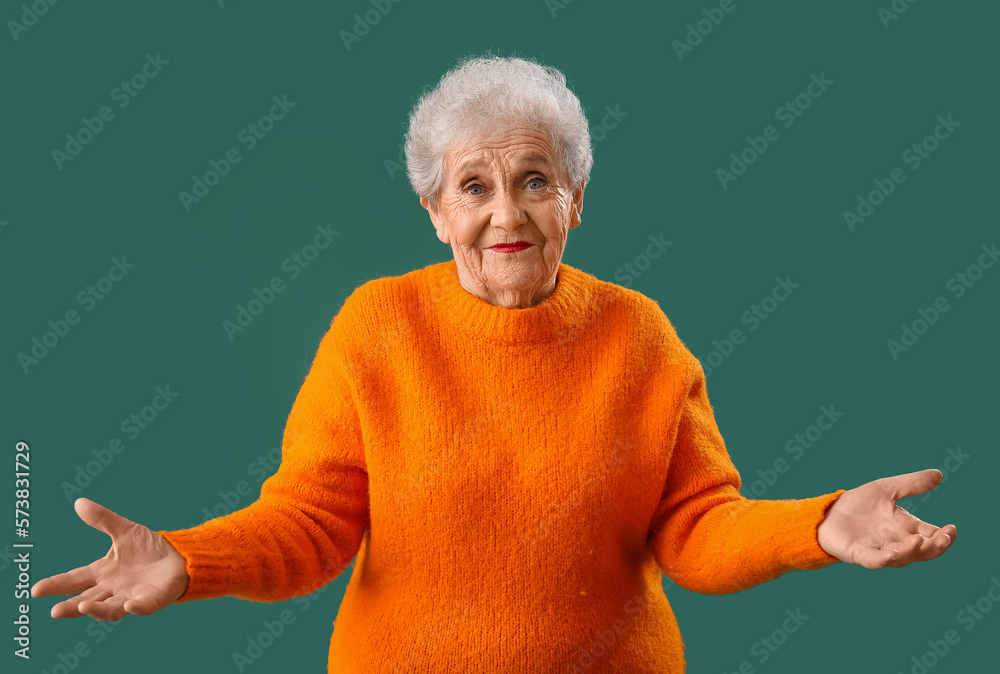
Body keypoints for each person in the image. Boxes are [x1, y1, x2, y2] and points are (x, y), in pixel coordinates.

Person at [33, 55, 957, 673]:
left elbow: (695, 529)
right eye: (473, 185)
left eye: (535, 180)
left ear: (575, 201)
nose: (506, 213)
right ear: (435, 211)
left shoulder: (640, 336)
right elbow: (311, 524)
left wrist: (822, 524)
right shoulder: (376, 325)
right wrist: (190, 561)